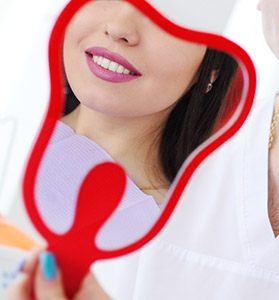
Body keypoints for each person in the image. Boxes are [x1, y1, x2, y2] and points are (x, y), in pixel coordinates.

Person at [6, 0, 240, 299]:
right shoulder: (12, 143)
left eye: (167, 12)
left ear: (212, 69)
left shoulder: (193, 249)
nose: (119, 28)